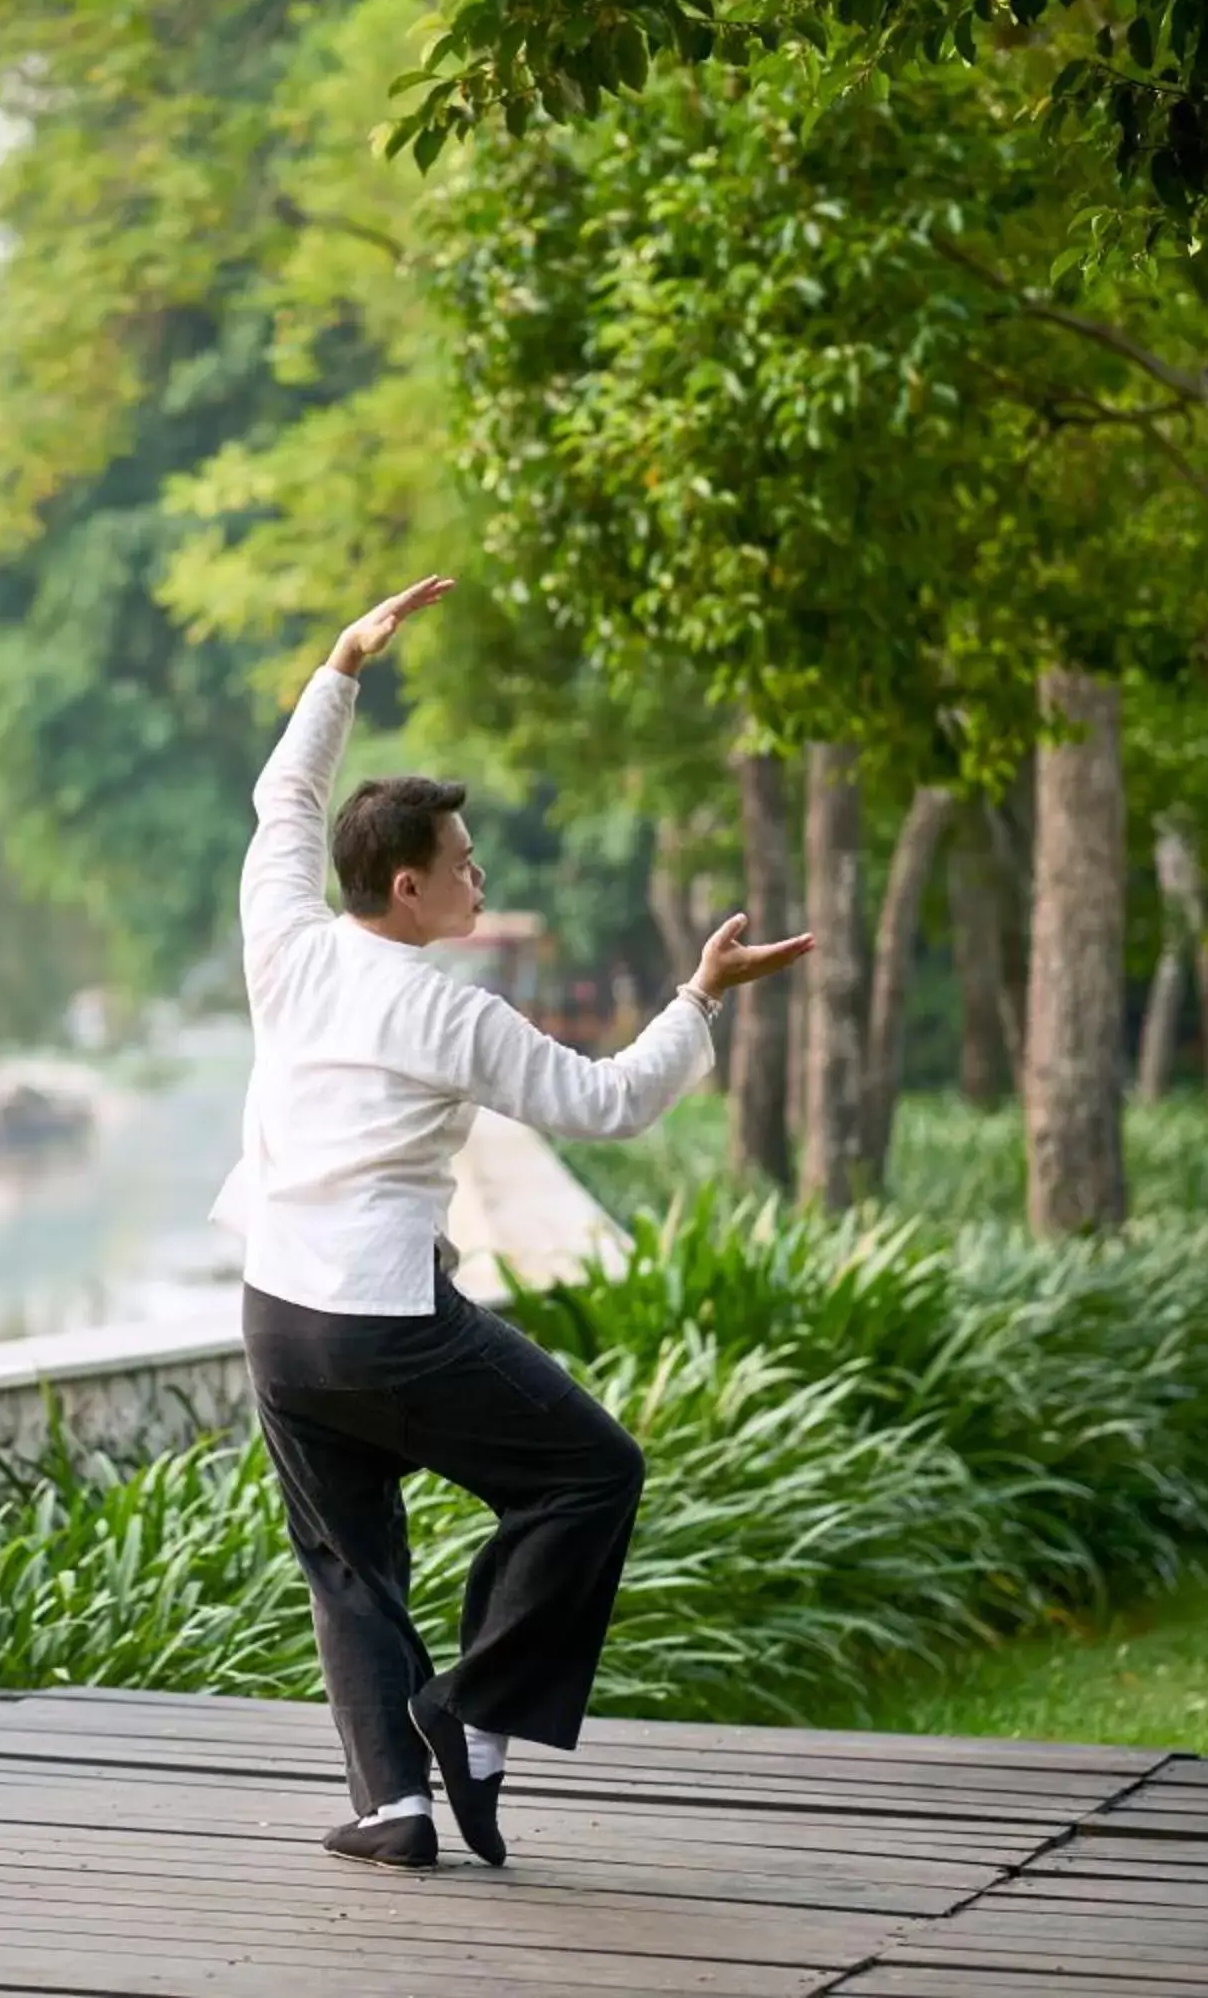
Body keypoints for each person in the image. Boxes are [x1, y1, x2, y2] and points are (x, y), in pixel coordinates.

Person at [210, 574, 814, 1872]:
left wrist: (341, 666)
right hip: (379, 1318)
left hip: (279, 1311)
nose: (484, 880)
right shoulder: (451, 1011)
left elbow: (285, 804)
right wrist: (699, 998)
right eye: (468, 866)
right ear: (413, 885)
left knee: (348, 1556)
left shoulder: (285, 938)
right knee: (591, 1473)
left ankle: (395, 1803)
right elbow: (605, 1102)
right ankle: (471, 1710)